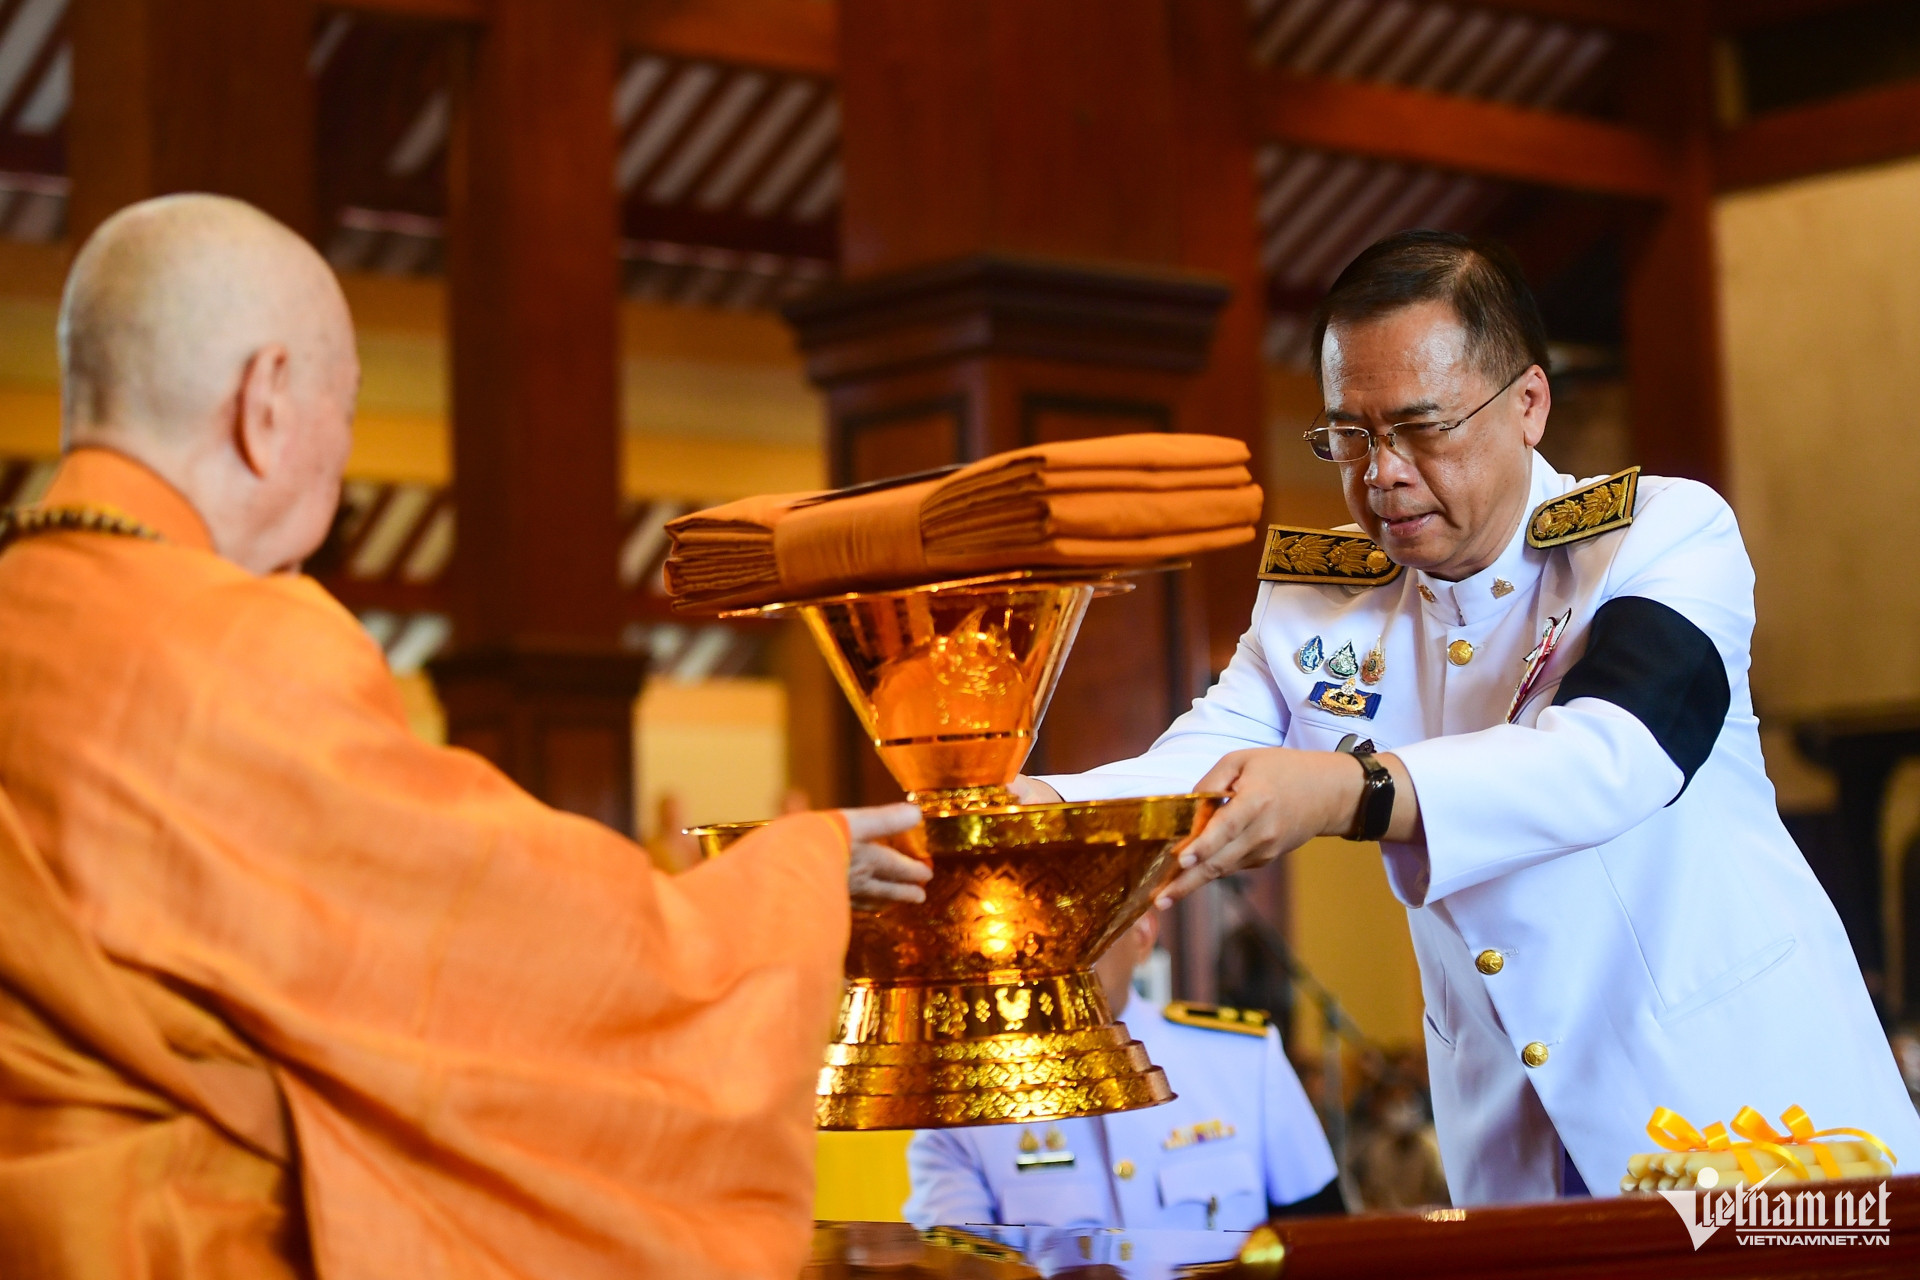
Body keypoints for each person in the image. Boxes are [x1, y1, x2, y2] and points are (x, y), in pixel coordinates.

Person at [0, 193, 931, 1279]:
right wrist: (792, 877)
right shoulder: (231, 648)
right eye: (344, 411)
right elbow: (526, 963)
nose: (342, 465)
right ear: (267, 402)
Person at [1016, 229, 1920, 1204]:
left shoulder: (1658, 534)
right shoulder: (1320, 602)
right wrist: (1024, 809)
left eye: (1419, 427)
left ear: (1527, 404)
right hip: (1516, 1140)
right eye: (1349, 436)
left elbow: (1614, 752)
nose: (1381, 474)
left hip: (1747, 1115)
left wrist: (1352, 789)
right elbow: (1197, 757)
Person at [902, 910, 1340, 1229]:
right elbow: (954, 1265)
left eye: (1084, 922)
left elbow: (1324, 1242)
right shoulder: (962, 1099)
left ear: (1144, 933)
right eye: (1035, 923)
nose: (1054, 948)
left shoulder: (1242, 1059)